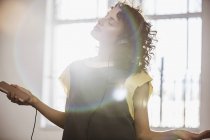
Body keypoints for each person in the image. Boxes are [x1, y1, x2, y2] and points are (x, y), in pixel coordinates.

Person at [6, 2, 210, 140]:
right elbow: (71, 121)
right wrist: (34, 101)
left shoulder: (138, 79)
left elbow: (143, 134)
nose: (102, 21)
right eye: (106, 16)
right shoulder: (75, 70)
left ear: (123, 39)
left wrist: (176, 134)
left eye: (111, 21)